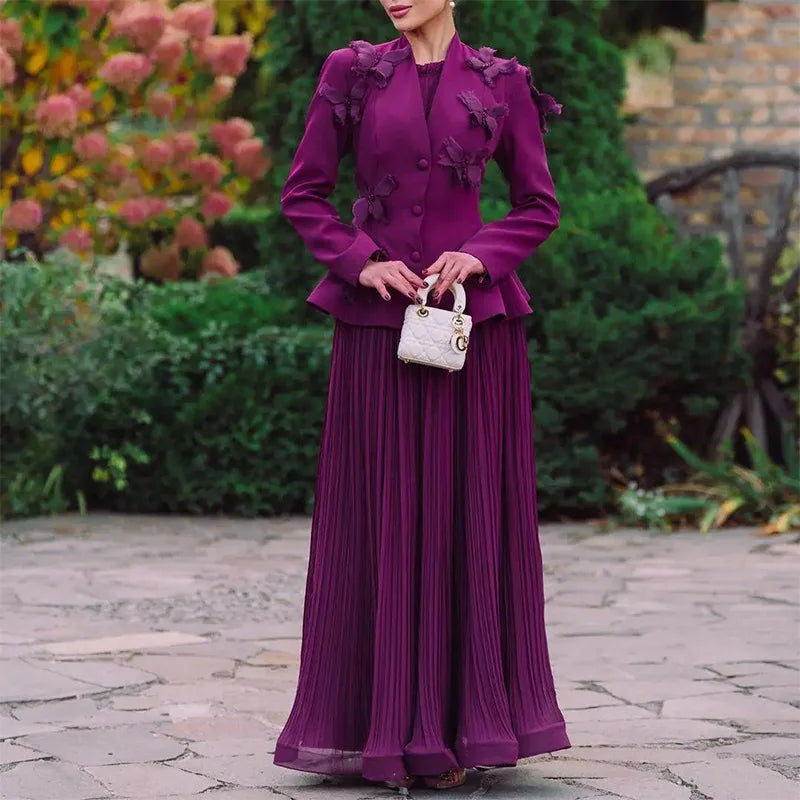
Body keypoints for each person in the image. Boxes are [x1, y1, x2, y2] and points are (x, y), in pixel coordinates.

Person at [272, 0, 570, 792]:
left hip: (474, 339)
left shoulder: (503, 82)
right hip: (376, 333)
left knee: (464, 515)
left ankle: (463, 730)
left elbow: (539, 205)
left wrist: (478, 256)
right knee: (378, 517)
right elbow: (303, 193)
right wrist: (359, 260)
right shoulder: (352, 72)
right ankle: (375, 730)